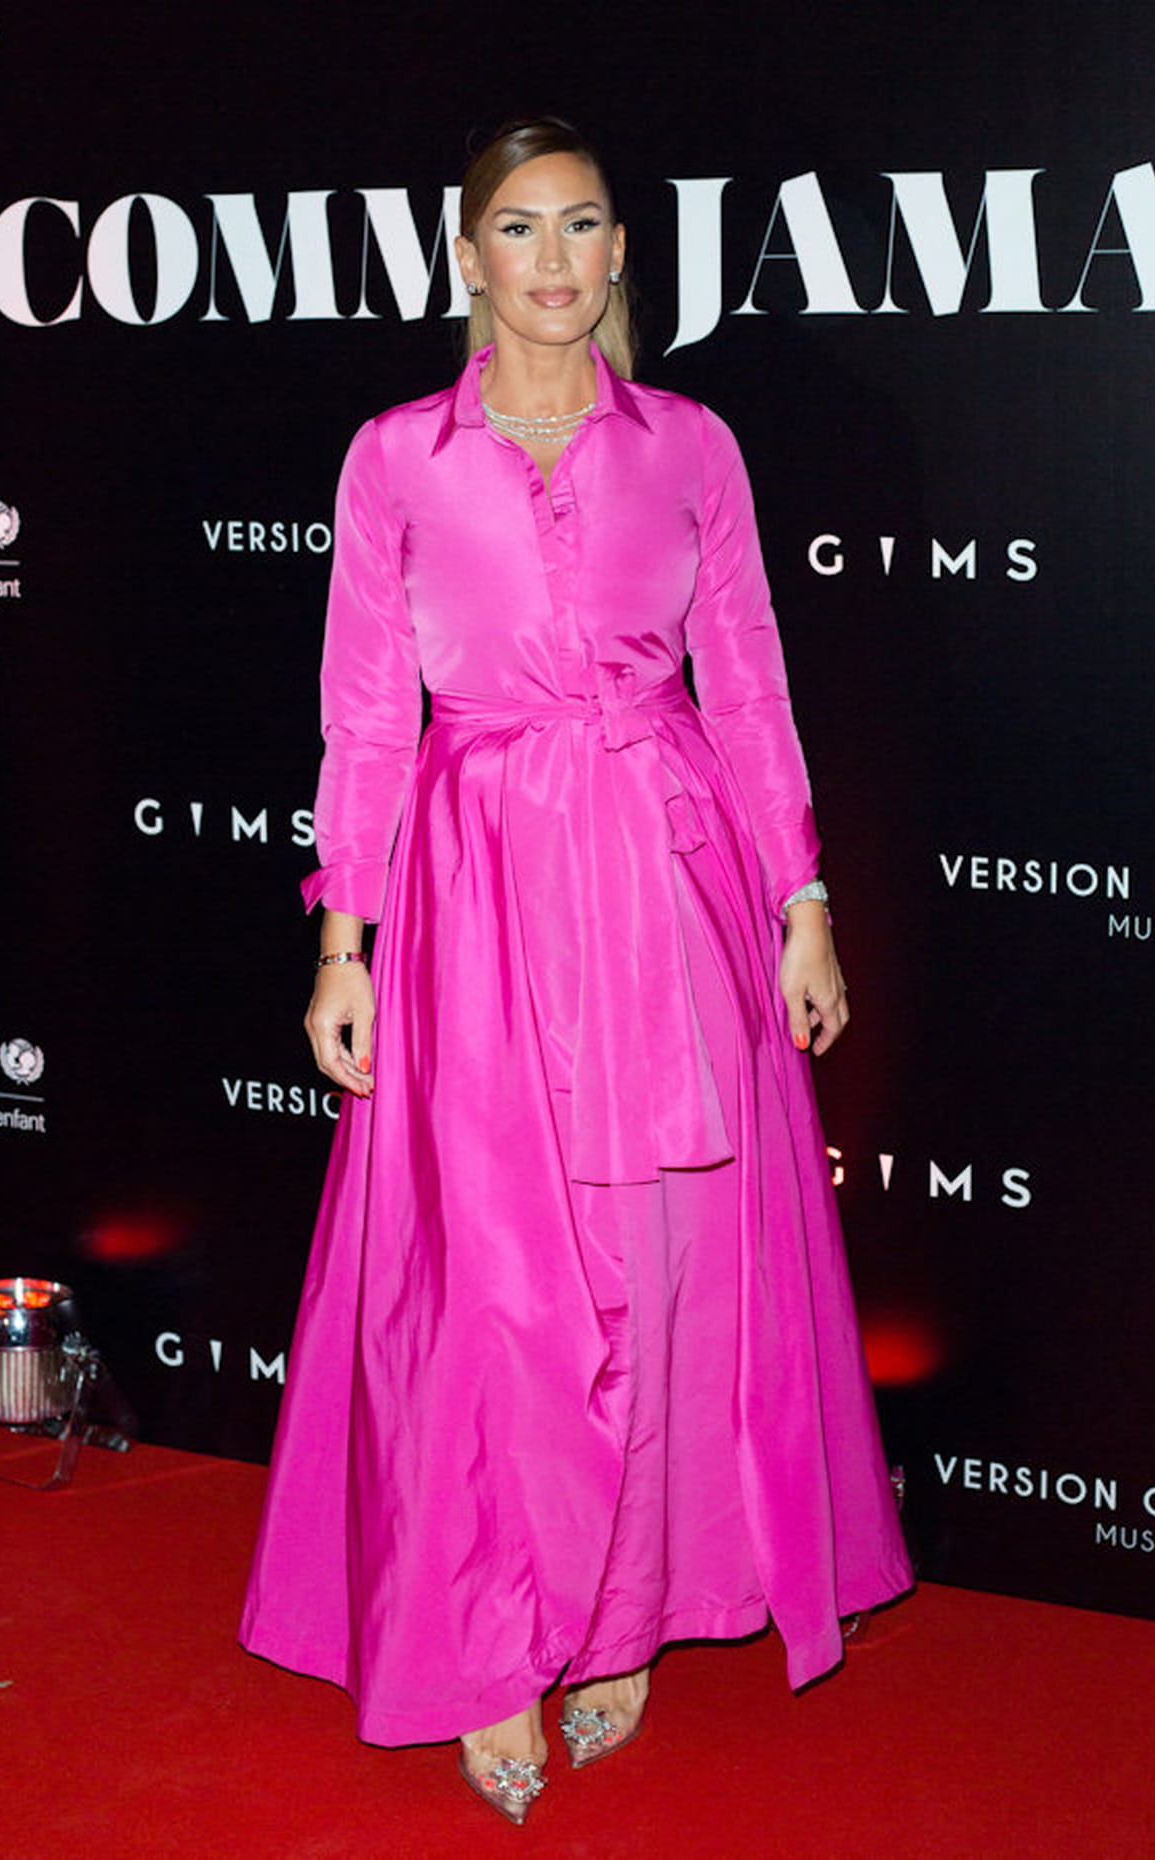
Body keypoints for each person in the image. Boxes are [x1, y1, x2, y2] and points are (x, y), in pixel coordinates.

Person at [240, 117, 912, 1826]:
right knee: (491, 1286)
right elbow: (365, 717)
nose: (555, 259)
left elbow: (747, 685)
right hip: (475, 894)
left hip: (672, 884)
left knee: (670, 1264)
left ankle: (622, 1629)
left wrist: (804, 901)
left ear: (620, 252)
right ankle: (484, 1646)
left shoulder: (690, 445)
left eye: (585, 225)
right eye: (521, 228)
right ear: (469, 255)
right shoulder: (397, 456)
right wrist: (343, 940)